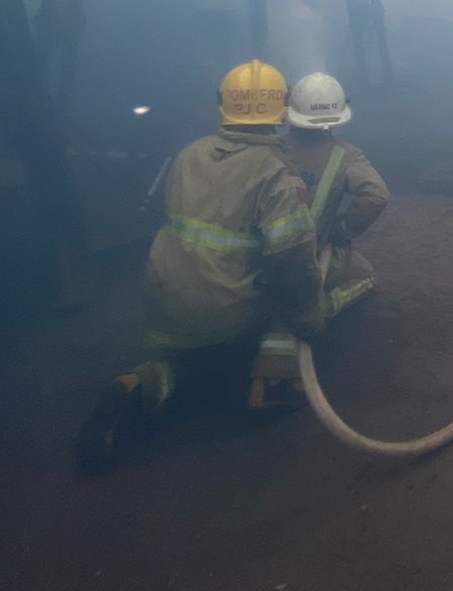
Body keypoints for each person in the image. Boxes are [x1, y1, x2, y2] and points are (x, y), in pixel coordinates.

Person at [76, 60, 319, 475]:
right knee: (290, 304)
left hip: (162, 302)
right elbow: (291, 258)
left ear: (224, 106)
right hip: (224, 312)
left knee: (183, 367)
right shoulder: (277, 175)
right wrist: (309, 313)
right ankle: (273, 386)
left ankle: (140, 385)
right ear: (280, 111)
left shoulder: (189, 154)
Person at [278, 73, 390, 327]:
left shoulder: (271, 147)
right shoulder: (347, 156)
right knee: (366, 275)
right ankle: (321, 309)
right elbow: (377, 194)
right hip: (311, 259)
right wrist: (342, 229)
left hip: (262, 258)